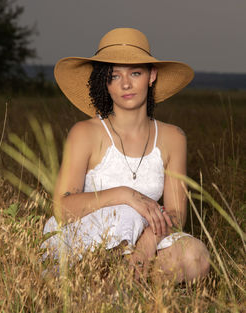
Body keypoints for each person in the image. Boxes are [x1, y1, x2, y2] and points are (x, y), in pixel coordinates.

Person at [42, 28, 210, 282]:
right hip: (88, 240)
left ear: (151, 75)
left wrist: (146, 244)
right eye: (114, 75)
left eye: (135, 73)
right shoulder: (85, 132)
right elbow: (62, 209)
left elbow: (176, 215)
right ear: (104, 82)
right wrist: (125, 195)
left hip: (148, 237)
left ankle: (125, 282)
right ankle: (106, 282)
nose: (126, 84)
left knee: (195, 257)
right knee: (126, 213)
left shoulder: (173, 137)